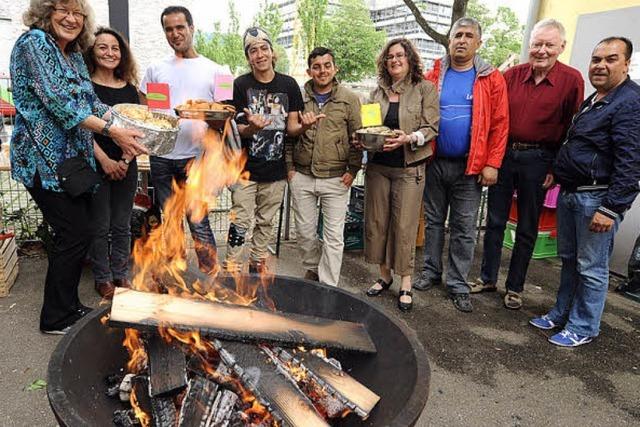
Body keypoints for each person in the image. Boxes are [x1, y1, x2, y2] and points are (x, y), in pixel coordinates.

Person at [10, 0, 146, 334]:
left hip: (70, 163)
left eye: (78, 13)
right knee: (74, 231)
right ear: (46, 12)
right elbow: (61, 104)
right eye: (63, 10)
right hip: (41, 161)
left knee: (79, 231)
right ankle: (56, 317)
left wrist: (127, 122)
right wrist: (112, 130)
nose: (71, 18)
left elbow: (89, 102)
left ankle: (67, 308)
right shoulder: (34, 44)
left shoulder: (71, 54)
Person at [530, 37, 640, 347]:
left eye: (610, 59)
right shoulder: (597, 99)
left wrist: (611, 208)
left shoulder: (630, 103)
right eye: (596, 59)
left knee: (591, 268)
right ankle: (562, 312)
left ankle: (583, 327)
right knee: (569, 260)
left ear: (625, 64)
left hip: (596, 198)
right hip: (573, 193)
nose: (601, 66)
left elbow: (631, 162)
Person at [471, 19, 584, 310]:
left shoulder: (572, 81)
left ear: (561, 47)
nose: (542, 50)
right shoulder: (510, 76)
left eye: (549, 44)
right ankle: (487, 278)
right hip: (505, 156)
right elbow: (495, 120)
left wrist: (555, 169)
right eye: (537, 44)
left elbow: (573, 128)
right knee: (494, 222)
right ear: (529, 45)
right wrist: (490, 159)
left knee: (527, 227)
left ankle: (515, 287)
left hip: (540, 159)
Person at [415, 17, 509, 313]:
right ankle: (431, 271)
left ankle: (457, 283)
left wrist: (492, 163)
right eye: (457, 35)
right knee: (432, 222)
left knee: (464, 227)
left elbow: (500, 124)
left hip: (470, 167)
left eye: (469, 36)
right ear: (449, 39)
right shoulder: (434, 74)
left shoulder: (490, 78)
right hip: (434, 162)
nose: (462, 40)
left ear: (478, 43)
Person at [140, 5, 230, 274]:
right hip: (162, 158)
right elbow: (150, 110)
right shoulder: (156, 69)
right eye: (169, 29)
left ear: (192, 28)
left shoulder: (219, 69)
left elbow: (225, 115)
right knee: (171, 220)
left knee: (198, 220)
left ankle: (211, 273)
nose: (175, 34)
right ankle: (176, 275)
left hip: (197, 158)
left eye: (180, 27)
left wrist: (200, 114)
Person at [224, 27, 314, 274]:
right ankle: (231, 267)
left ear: (272, 52)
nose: (260, 54)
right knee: (239, 222)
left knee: (265, 223)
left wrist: (304, 126)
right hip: (244, 171)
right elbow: (238, 129)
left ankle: (256, 266)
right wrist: (252, 128)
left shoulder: (289, 85)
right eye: (253, 50)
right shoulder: (240, 85)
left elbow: (292, 127)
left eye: (264, 48)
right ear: (248, 57)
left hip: (276, 171)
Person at [363, 38, 439, 312]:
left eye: (400, 56)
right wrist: (365, 138)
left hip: (409, 169)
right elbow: (371, 127)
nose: (394, 60)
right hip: (379, 168)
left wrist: (408, 138)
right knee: (379, 223)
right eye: (390, 57)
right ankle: (384, 276)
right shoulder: (377, 93)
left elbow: (431, 127)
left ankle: (405, 282)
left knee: (404, 226)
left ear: (410, 59)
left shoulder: (425, 89)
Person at [287, 47, 362, 286]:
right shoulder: (298, 97)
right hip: (302, 175)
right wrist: (289, 168)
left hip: (336, 177)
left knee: (333, 236)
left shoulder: (349, 99)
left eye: (327, 65)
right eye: (317, 66)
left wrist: (353, 169)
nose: (322, 71)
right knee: (305, 233)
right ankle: (312, 268)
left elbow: (358, 136)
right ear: (309, 71)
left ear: (335, 68)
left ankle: (329, 285)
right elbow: (288, 136)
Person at [84, 27, 140, 299]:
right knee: (100, 225)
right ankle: (103, 278)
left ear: (122, 53)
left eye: (115, 48)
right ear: (92, 52)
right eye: (102, 47)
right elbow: (80, 129)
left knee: (122, 224)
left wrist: (124, 160)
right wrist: (105, 160)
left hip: (126, 165)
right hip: (95, 163)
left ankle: (120, 274)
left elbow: (139, 128)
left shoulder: (130, 90)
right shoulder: (85, 87)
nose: (109, 52)